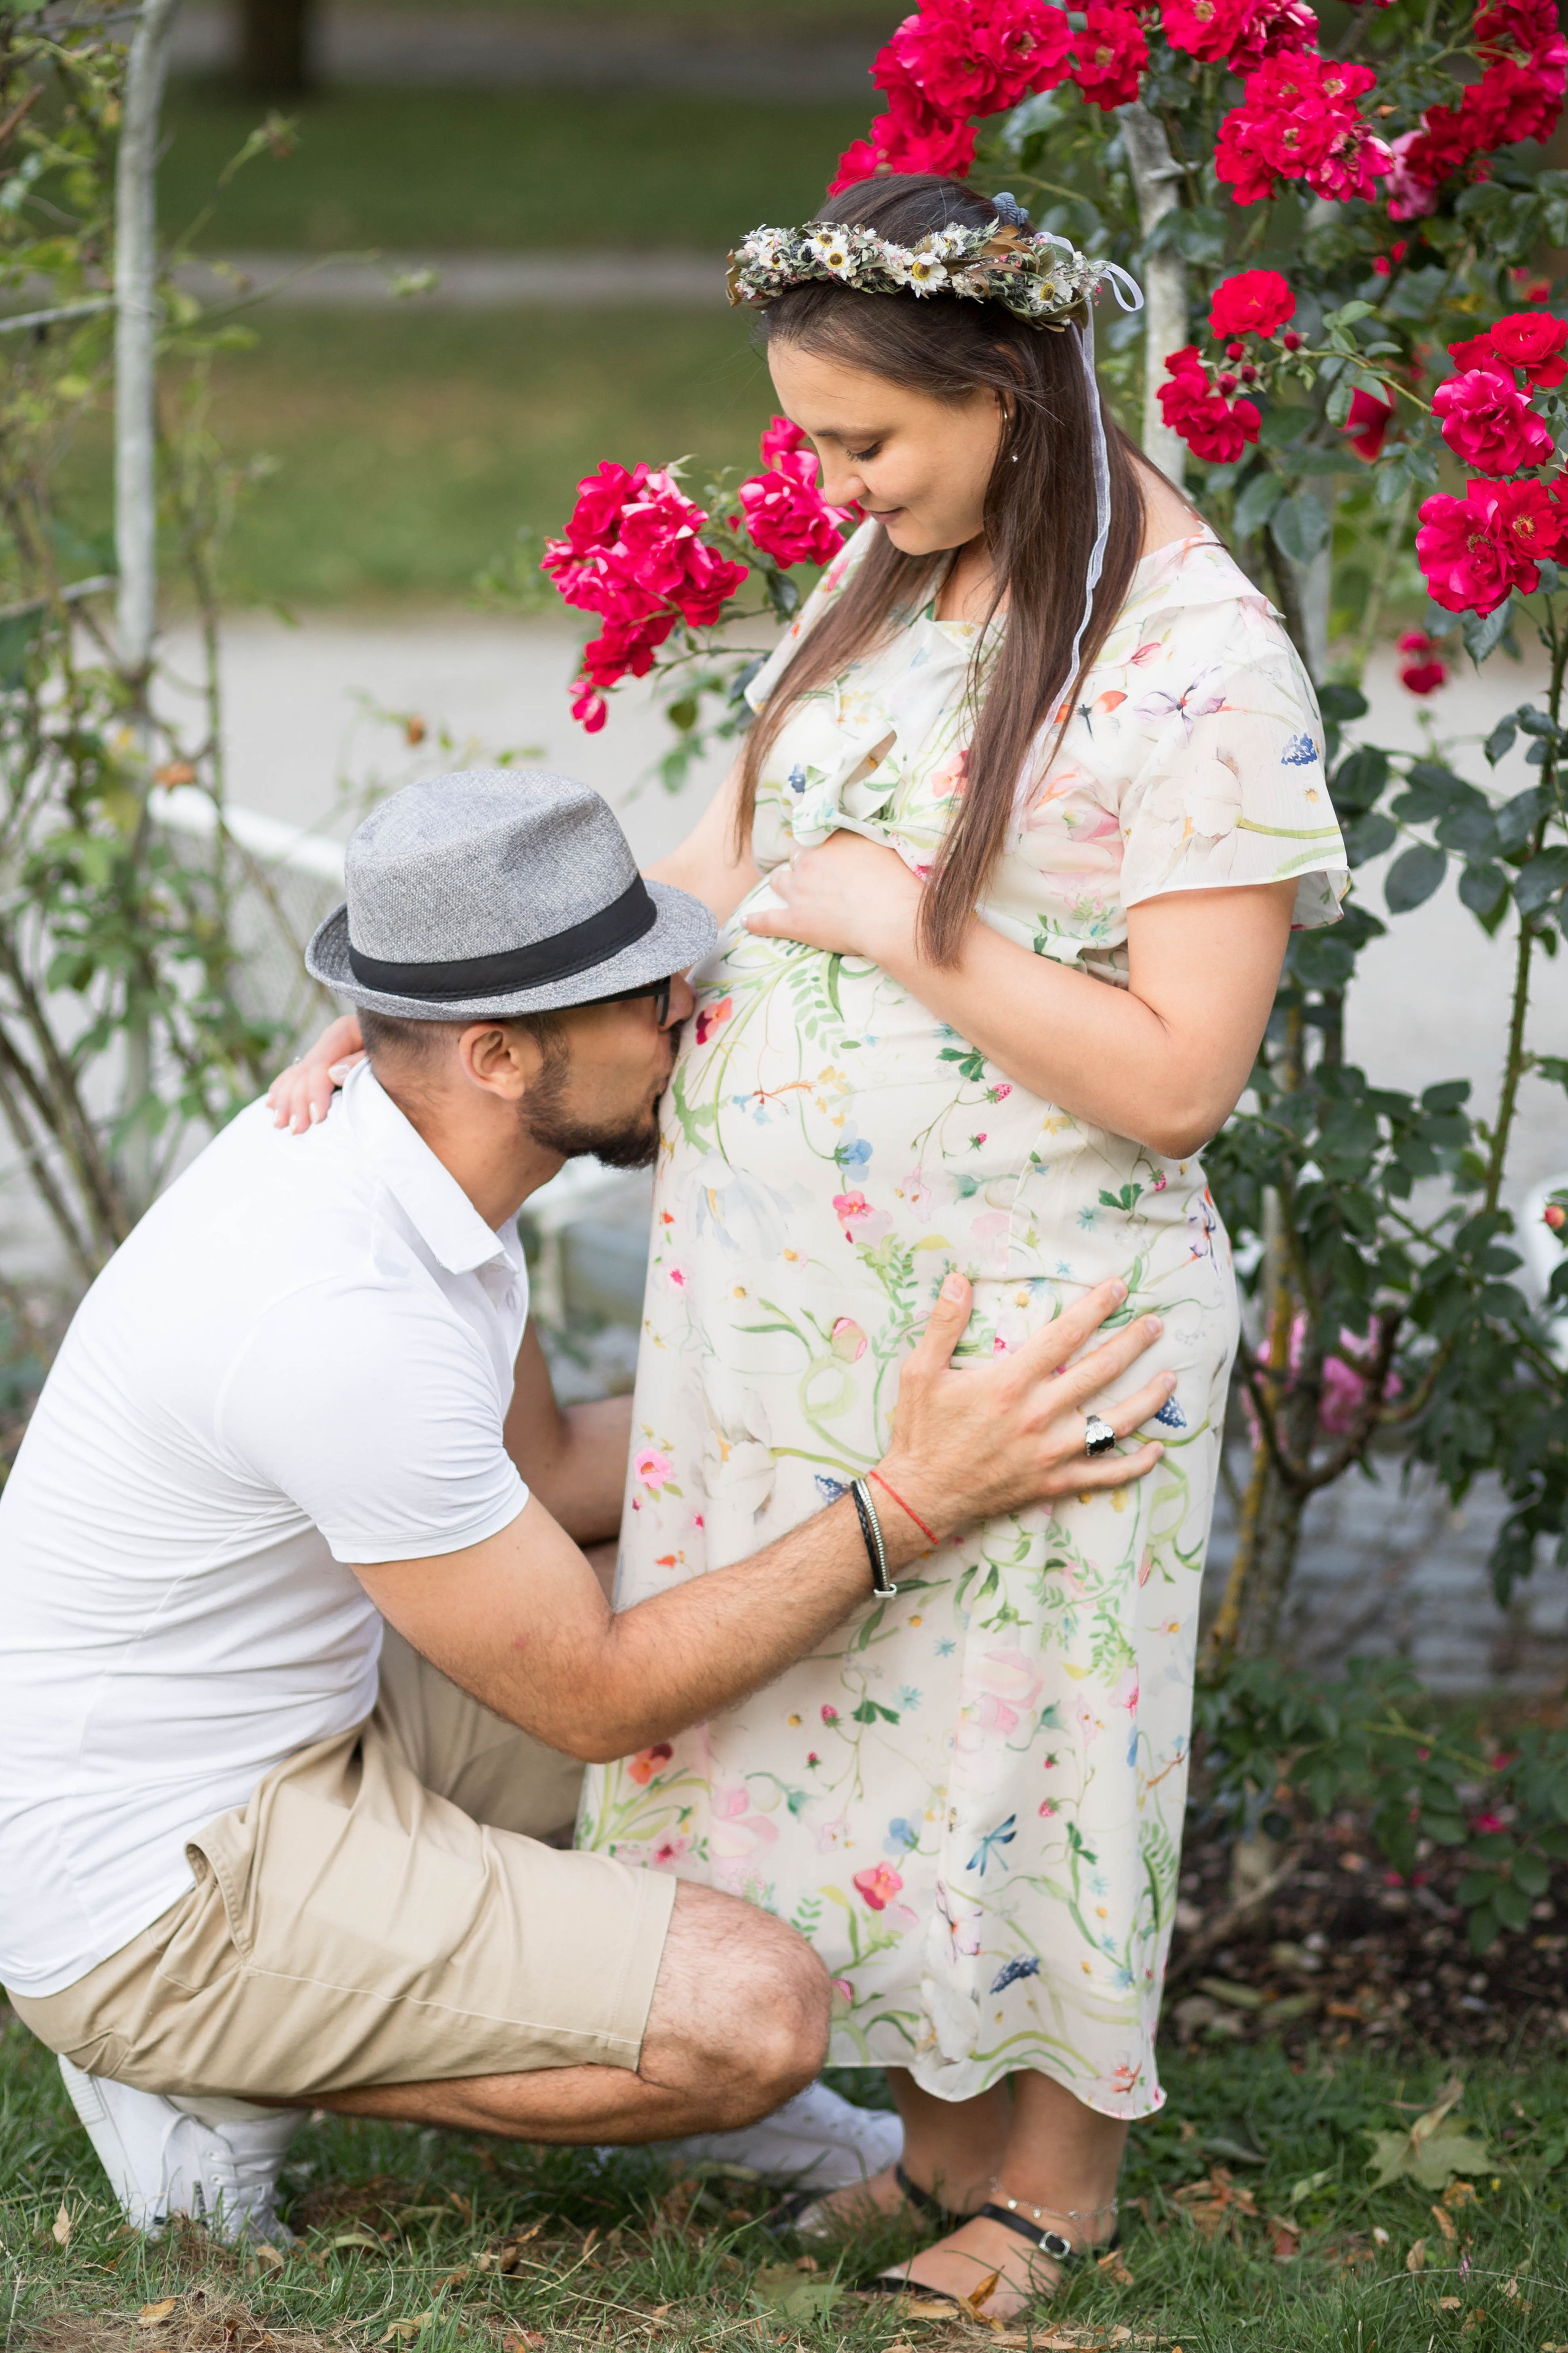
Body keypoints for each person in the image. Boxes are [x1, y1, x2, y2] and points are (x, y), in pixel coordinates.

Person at [278, 178, 1349, 2316]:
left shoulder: (1201, 661)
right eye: (816, 441)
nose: (829, 485)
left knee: (1033, 1736)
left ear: (1018, 397)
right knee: (869, 1716)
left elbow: (1176, 1081)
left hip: (1035, 1314)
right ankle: (937, 2139)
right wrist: (422, 1006)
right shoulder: (896, 571)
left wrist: (908, 922)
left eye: (867, 442)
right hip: (791, 1309)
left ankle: (1056, 2191)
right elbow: (717, 855)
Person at [0, 766, 1174, 2251]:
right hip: (159, 1888)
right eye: (634, 994)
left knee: (718, 1570)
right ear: (495, 1055)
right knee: (754, 2019)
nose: (682, 1002)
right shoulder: (335, 1313)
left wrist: (872, 1422)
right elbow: (594, 1698)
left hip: (302, 1732)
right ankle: (196, 2058)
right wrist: (910, 1497)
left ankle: (446, 1986)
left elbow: (554, 1467)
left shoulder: (403, 1151)